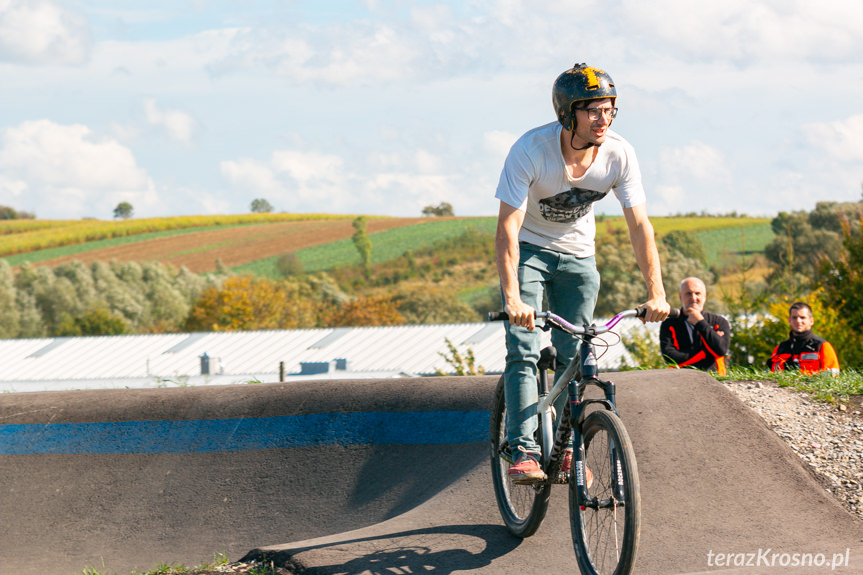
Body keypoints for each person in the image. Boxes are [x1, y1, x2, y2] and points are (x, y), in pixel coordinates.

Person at [495, 63, 670, 484]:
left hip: (577, 256)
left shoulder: (619, 154)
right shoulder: (531, 150)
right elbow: (507, 227)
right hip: (530, 252)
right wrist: (513, 299)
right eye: (593, 110)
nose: (603, 119)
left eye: (610, 109)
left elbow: (639, 225)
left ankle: (569, 450)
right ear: (566, 113)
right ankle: (523, 449)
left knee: (576, 353)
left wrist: (657, 293)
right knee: (524, 348)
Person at [659, 277, 731, 375]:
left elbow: (721, 350)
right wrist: (705, 352)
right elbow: (670, 358)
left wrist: (700, 322)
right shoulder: (669, 324)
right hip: (679, 379)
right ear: (680, 297)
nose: (693, 298)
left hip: (715, 379)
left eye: (697, 293)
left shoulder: (719, 322)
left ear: (704, 296)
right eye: (688, 294)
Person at [767, 302, 839, 375]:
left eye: (802, 317)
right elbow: (771, 377)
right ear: (789, 320)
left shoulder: (822, 346)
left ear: (811, 321)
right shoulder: (780, 348)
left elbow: (833, 376)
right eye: (794, 317)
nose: (798, 321)